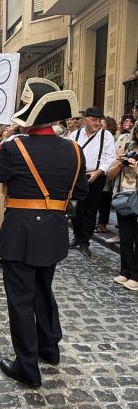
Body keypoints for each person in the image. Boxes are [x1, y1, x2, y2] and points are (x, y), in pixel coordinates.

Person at [0, 77, 89, 388]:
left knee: (21, 299)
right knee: (43, 290)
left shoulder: (15, 148)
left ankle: (27, 366)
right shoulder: (74, 149)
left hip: (21, 233)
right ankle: (49, 348)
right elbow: (81, 192)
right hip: (53, 231)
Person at [69, 106, 116, 256]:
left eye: (99, 120)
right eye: (94, 120)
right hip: (77, 177)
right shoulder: (75, 135)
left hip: (97, 176)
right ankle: (77, 236)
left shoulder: (106, 135)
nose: (97, 123)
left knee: (90, 210)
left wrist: (98, 172)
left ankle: (84, 242)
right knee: (75, 209)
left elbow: (110, 157)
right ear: (85, 120)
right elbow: (68, 155)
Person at [108, 121, 138, 290]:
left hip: (137, 198)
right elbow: (111, 175)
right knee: (125, 238)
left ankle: (136, 276)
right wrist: (120, 163)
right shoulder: (128, 147)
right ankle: (125, 271)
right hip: (123, 197)